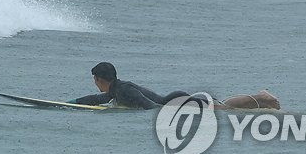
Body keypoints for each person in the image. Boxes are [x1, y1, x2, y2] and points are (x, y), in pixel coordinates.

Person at [72, 62, 280, 110]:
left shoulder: (123, 90)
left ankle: (262, 96)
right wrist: (70, 103)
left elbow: (150, 107)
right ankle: (261, 99)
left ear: (99, 79)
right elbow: (98, 99)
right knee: (222, 106)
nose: (95, 85)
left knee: (223, 109)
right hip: (177, 101)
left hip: (178, 103)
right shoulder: (117, 88)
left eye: (95, 81)